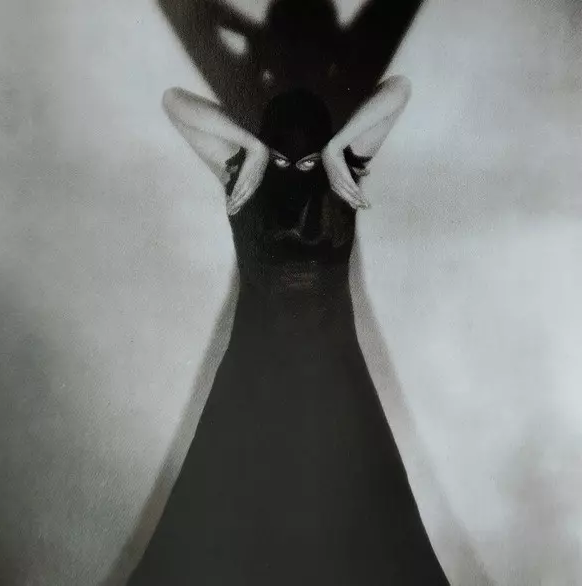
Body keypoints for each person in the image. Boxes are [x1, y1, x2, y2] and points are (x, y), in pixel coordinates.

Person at [127, 77, 451, 585]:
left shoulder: (341, 176)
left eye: (307, 161)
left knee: (350, 513)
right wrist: (254, 150)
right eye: (281, 159)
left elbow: (401, 89)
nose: (294, 172)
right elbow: (172, 100)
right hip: (254, 377)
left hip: (335, 380)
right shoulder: (245, 177)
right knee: (243, 510)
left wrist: (337, 151)